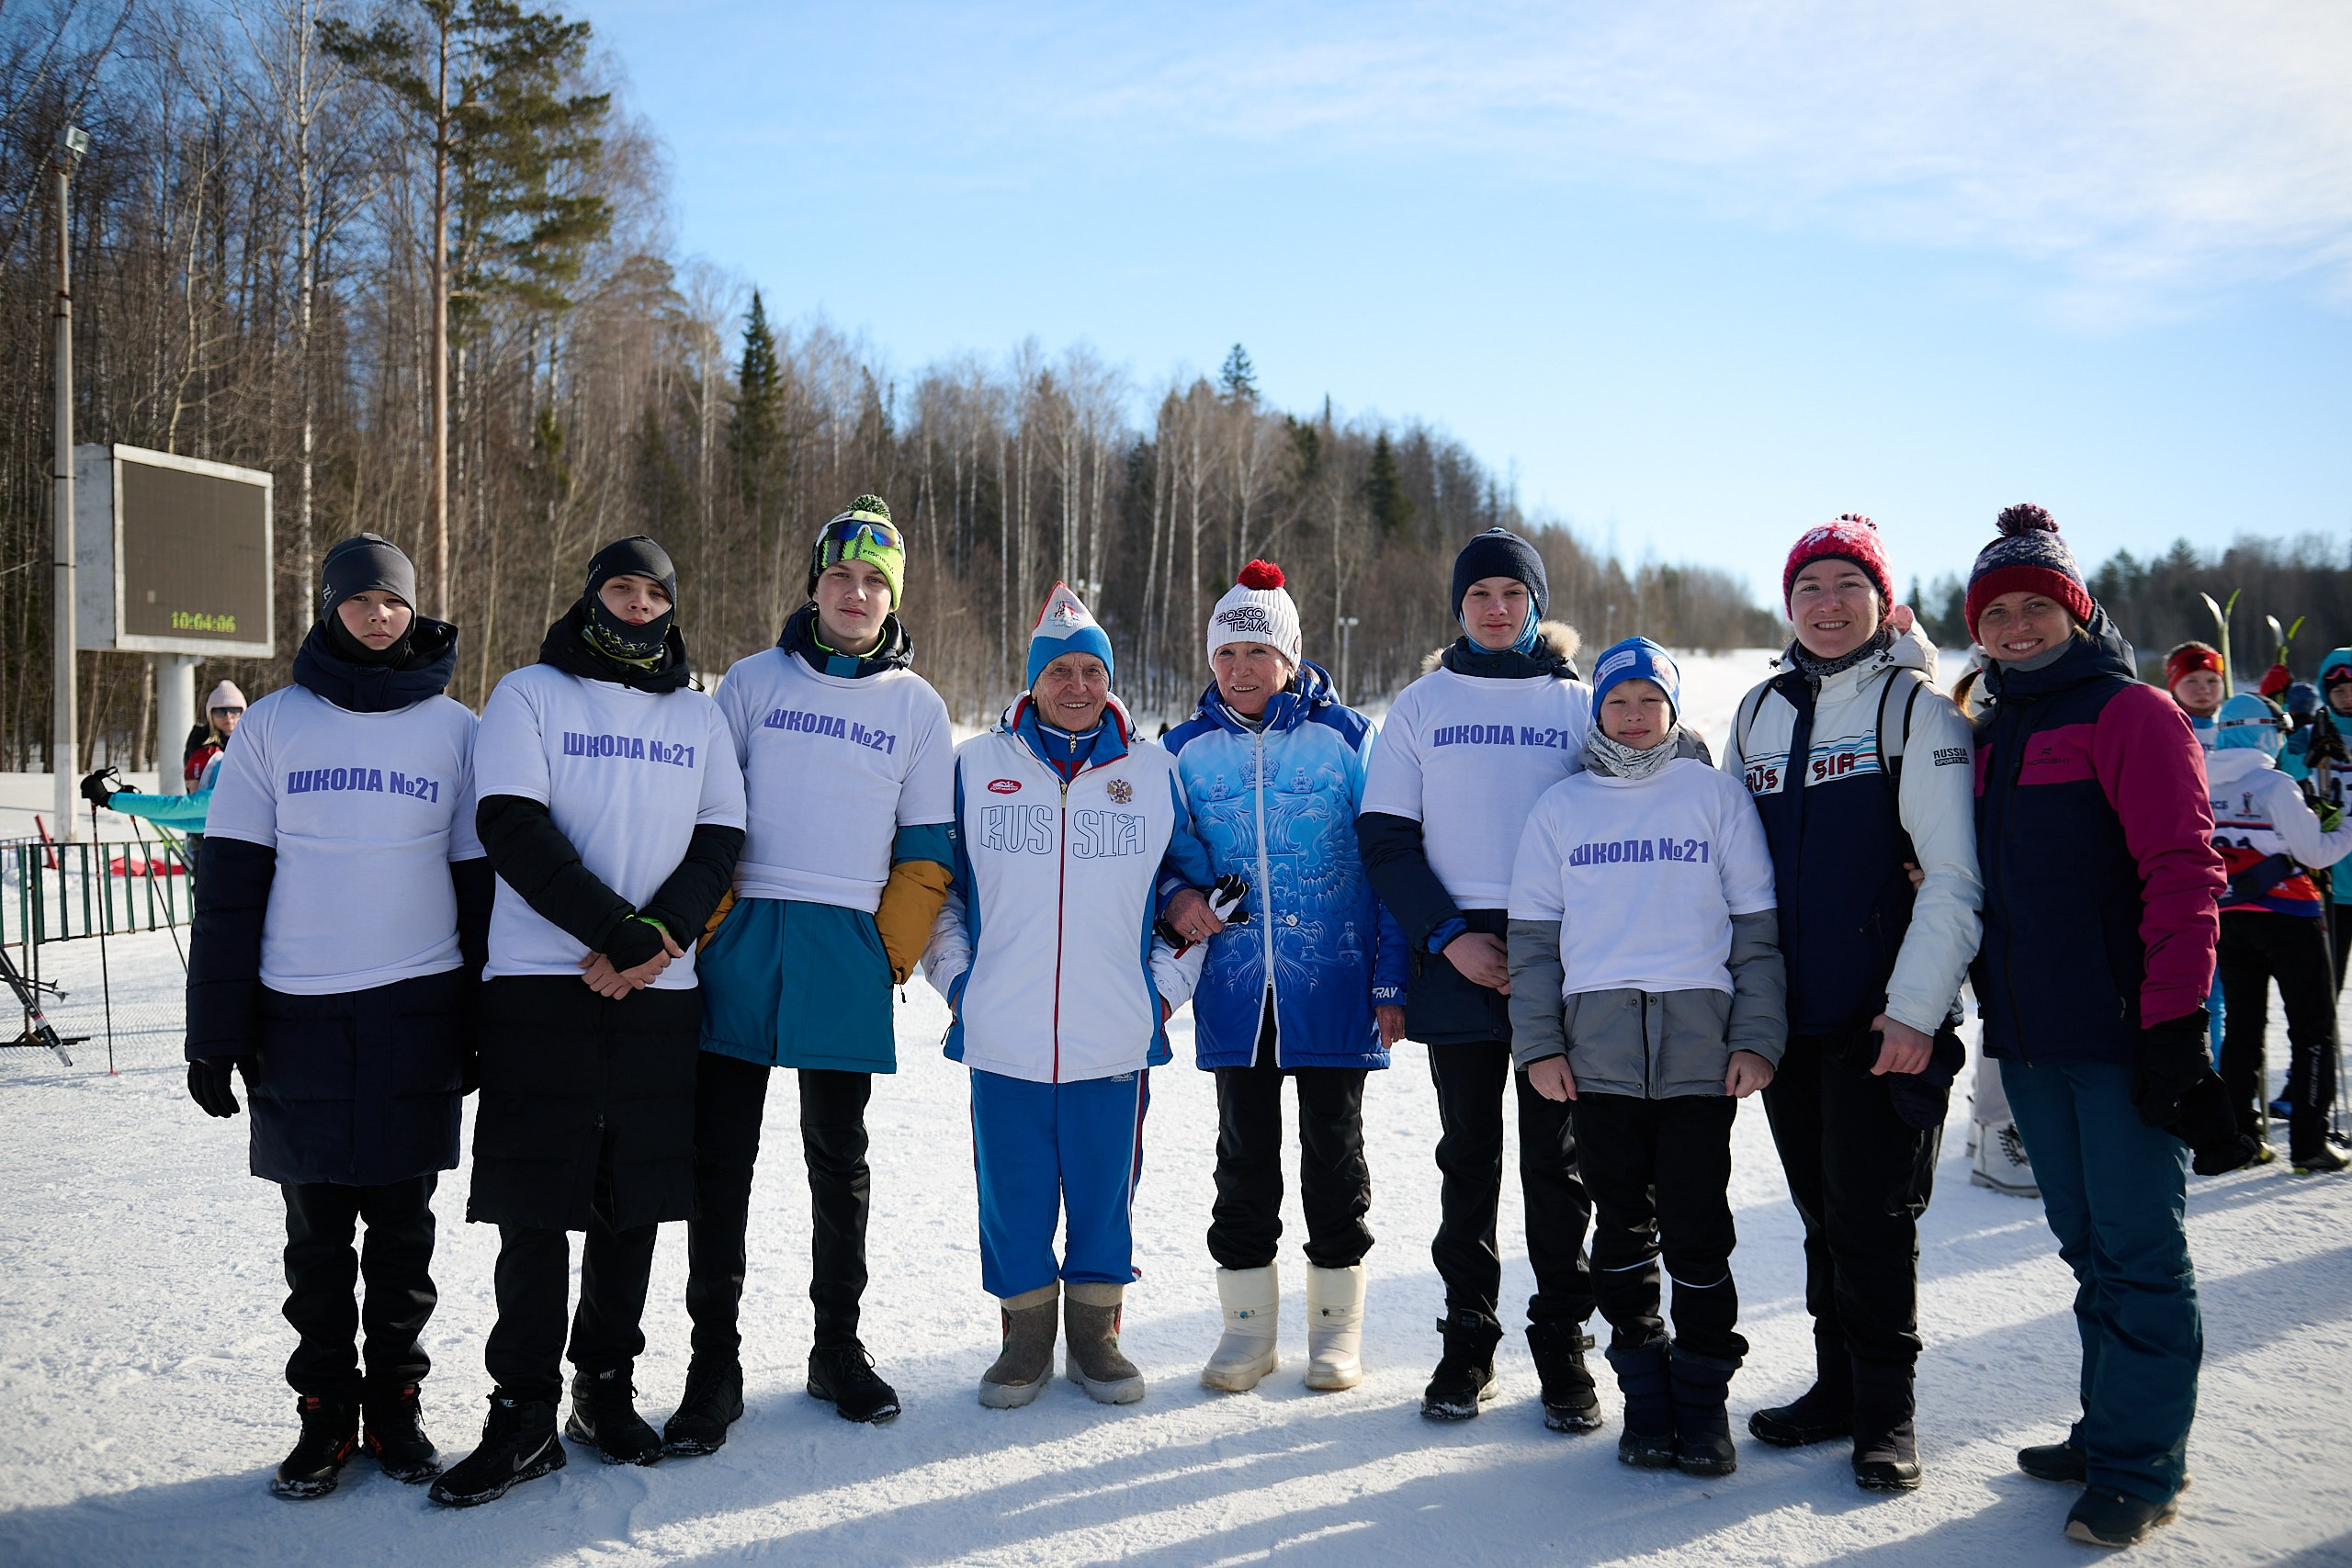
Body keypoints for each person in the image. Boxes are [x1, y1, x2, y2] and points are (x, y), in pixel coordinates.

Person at [432, 537, 745, 1506]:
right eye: (623, 587)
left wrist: (657, 937)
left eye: (657, 592)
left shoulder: (699, 714)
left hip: (659, 985)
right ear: (591, 595)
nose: (640, 605)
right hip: (541, 978)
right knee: (536, 1205)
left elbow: (721, 839)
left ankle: (603, 1388)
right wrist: (618, 930)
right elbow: (511, 826)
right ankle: (521, 1412)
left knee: (634, 1200)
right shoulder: (529, 693)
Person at [1966, 503, 2251, 1549]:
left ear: (2075, 612)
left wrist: (2176, 1027)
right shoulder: (1991, 731)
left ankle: (2139, 1465)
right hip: (2032, 1038)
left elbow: (2183, 871)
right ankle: (2105, 1431)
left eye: (2037, 606)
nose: (2016, 627)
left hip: (2127, 1031)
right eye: (1997, 612)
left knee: (2138, 1252)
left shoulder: (2133, 714)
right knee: (2086, 1247)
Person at [182, 533, 489, 1499]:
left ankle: (396, 1407)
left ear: (413, 609)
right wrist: (216, 1036)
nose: (378, 615)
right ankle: (324, 1416)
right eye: (359, 599)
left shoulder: (457, 730)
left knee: (403, 1233)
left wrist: (487, 1015)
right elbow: (230, 890)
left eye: (392, 600)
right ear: (330, 607)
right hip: (298, 1016)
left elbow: (479, 886)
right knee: (315, 1237)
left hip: (417, 1007)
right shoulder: (271, 727)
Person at [675, 497, 955, 1446]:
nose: (857, 592)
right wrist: (713, 930)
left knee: (839, 1161)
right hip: (745, 932)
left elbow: (923, 848)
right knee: (722, 1162)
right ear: (813, 584)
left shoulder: (917, 707)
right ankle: (713, 1365)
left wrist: (888, 951)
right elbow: (710, 815)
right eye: (842, 575)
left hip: (847, 942)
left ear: (892, 598)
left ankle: (837, 1345)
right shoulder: (750, 684)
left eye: (876, 581)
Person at [1718, 513, 1982, 1492]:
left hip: (1883, 1022)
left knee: (1875, 1220)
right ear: (1787, 604)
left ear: (1881, 600)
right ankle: (1836, 1390)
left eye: (1846, 587)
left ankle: (1887, 1414)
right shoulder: (1758, 712)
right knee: (1822, 1213)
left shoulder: (1917, 713)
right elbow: (1724, 861)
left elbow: (1952, 880)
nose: (1827, 607)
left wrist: (1913, 1013)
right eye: (1809, 589)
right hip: (1789, 1018)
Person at [921, 581, 1210, 1410]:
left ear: (1109, 680)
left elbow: (1192, 903)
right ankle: (1025, 1340)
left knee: (1102, 1189)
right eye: (1060, 673)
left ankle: (1096, 1337)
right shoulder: (975, 767)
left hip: (1113, 1035)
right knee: (1010, 1192)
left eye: (1091, 670)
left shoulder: (1153, 774)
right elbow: (941, 892)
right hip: (1002, 1031)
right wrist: (960, 983)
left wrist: (1158, 997)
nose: (1076, 686)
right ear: (1033, 681)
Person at [1509, 638, 1786, 1478]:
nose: (1634, 716)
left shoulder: (1714, 796)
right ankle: (1647, 1401)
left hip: (1702, 1049)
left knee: (1700, 1228)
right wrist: (1541, 1045)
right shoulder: (1562, 807)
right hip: (1597, 1055)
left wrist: (1757, 1037)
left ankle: (1703, 1404)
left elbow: (1757, 934)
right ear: (1596, 709)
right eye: (1617, 701)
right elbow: (1533, 946)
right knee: (1622, 1226)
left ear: (1673, 705)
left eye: (1648, 699)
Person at [1356, 526, 1601, 1429]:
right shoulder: (1420, 704)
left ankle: (1562, 1346)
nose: (1496, 610)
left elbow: (1618, 813)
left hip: (1558, 957)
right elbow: (1384, 838)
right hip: (1452, 954)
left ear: (1536, 602)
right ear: (1457, 607)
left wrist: (1561, 945)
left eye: (1511, 593)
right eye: (1478, 596)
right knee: (1468, 1160)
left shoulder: (1577, 702)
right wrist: (1449, 937)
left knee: (1557, 1164)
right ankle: (1468, 1340)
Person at [1164, 560, 1408, 1394]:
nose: (1239, 669)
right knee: (1243, 1159)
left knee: (1335, 1158)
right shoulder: (1182, 751)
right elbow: (1159, 858)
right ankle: (1246, 1333)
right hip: (1236, 993)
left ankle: (1335, 1334)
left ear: (1291, 655)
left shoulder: (1345, 739)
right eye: (1225, 652)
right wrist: (1181, 896)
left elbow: (1389, 858)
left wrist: (1391, 978)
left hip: (1331, 986)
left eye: (1257, 652)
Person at [2207, 694, 2351, 1172]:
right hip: (2289, 914)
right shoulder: (2274, 783)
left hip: (2229, 916)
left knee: (2244, 1027)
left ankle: (2242, 1136)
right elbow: (2316, 853)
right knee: (2311, 1026)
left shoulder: (2201, 781)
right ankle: (2310, 1144)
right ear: (2265, 730)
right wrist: (2344, 822)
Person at [2282, 648, 2352, 994]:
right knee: (2326, 984)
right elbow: (2280, 779)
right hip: (2331, 880)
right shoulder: (2311, 735)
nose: (2348, 698)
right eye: (2339, 691)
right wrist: (2307, 761)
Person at [186, 679, 246, 787]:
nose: (228, 716)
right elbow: (193, 782)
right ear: (210, 715)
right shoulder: (199, 741)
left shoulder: (253, 740)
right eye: (220, 711)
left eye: (234, 710)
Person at [2164, 643, 2226, 747]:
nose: (2204, 690)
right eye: (2192, 681)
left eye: (2212, 681)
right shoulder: (2160, 733)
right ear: (2173, 686)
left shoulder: (2233, 736)